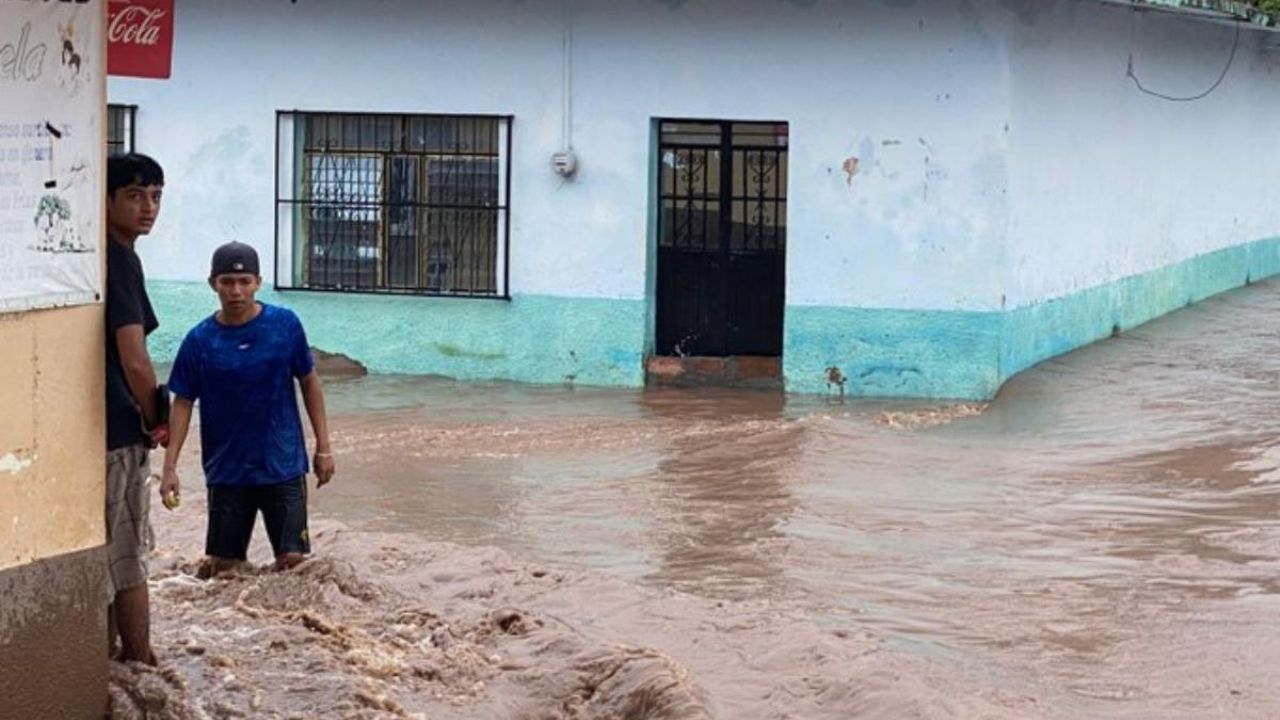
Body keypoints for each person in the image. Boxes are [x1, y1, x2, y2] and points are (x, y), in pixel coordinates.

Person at [160, 242, 335, 577]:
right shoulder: (200, 340)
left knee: (294, 566)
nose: (236, 291)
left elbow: (310, 381)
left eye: (244, 282)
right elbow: (182, 403)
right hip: (227, 472)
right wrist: (170, 468)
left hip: (282, 467)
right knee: (226, 570)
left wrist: (323, 447)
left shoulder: (284, 326)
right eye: (227, 282)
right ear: (213, 283)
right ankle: (233, 628)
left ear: (258, 281)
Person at [104, 153, 168, 665]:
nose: (148, 207)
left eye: (155, 196)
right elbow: (135, 358)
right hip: (119, 432)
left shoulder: (100, 255)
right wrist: (157, 417)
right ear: (104, 201)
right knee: (129, 559)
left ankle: (107, 664)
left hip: (88, 429)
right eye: (134, 195)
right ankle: (143, 664)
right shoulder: (118, 258)